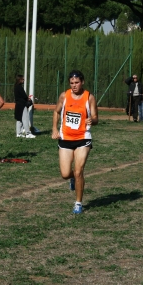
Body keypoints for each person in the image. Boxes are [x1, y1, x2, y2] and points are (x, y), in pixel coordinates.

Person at [51, 70, 98, 214]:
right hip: (66, 138)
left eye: (77, 83)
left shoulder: (89, 97)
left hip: (83, 138)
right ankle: (73, 179)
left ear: (82, 82)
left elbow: (96, 117)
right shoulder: (64, 96)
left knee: (78, 172)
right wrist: (54, 129)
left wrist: (92, 120)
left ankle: (78, 203)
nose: (74, 86)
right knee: (65, 174)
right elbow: (56, 112)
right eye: (72, 83)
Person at [14, 74, 35, 138]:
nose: (24, 80)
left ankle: (18, 133)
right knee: (25, 119)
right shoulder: (19, 87)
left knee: (19, 119)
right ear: (19, 79)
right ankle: (28, 133)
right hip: (22, 105)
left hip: (18, 105)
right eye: (23, 79)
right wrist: (28, 99)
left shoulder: (15, 86)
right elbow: (24, 96)